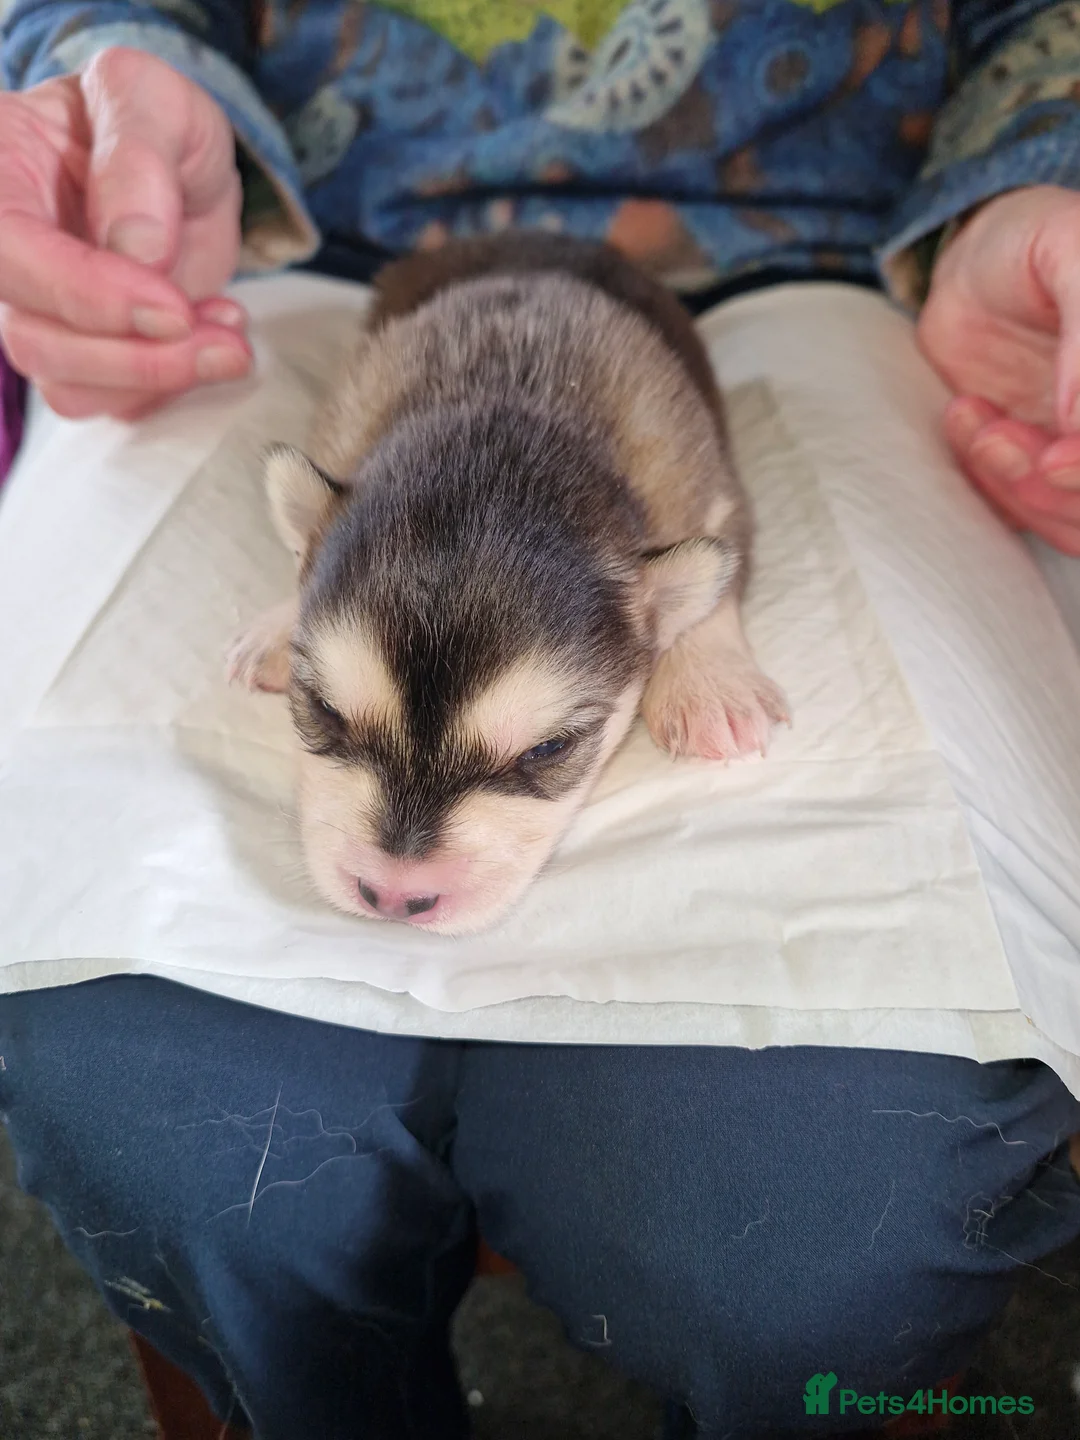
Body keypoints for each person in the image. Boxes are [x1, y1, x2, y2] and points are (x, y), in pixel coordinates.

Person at [1, 4, 1079, 1436]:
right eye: (336, 711)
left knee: (810, 1239)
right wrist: (111, 77)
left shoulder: (677, 543)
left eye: (541, 749)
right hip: (309, 245)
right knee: (183, 1145)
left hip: (814, 268)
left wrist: (1036, 172)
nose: (396, 862)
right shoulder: (347, 448)